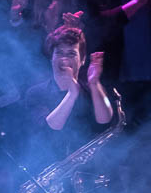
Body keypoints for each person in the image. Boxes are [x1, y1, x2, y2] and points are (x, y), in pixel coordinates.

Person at [21, 25, 113, 167]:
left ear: (82, 60)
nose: (64, 59)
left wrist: (94, 83)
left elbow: (105, 120)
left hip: (89, 169)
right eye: (59, 53)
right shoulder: (36, 93)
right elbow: (49, 129)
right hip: (48, 168)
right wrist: (72, 94)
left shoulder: (91, 90)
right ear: (51, 58)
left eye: (71, 54)